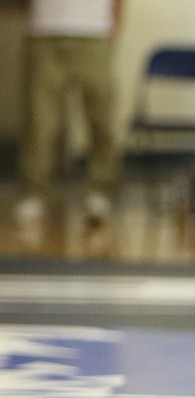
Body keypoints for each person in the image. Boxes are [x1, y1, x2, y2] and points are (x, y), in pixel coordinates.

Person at [13, 0, 122, 228]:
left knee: (101, 116)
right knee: (39, 119)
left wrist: (116, 22)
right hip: (44, 30)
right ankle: (35, 190)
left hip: (94, 31)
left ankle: (100, 190)